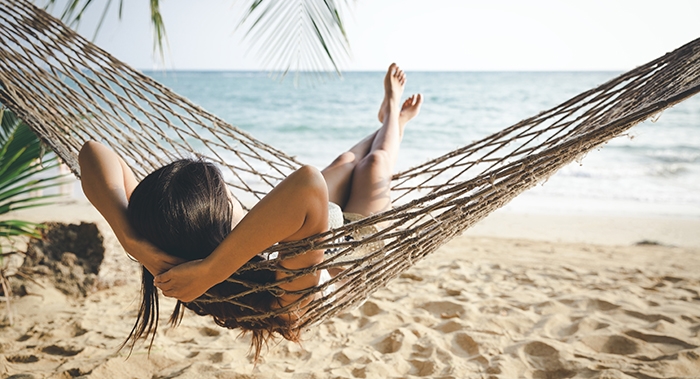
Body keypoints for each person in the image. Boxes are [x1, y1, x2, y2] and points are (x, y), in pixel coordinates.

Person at [78, 63, 423, 358]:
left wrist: (132, 242)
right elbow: (307, 184)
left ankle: (383, 125)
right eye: (230, 200)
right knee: (374, 164)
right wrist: (212, 270)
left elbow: (93, 152)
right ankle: (395, 118)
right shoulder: (283, 292)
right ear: (219, 229)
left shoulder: (171, 245)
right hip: (345, 247)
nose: (237, 198)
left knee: (345, 161)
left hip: (307, 221)